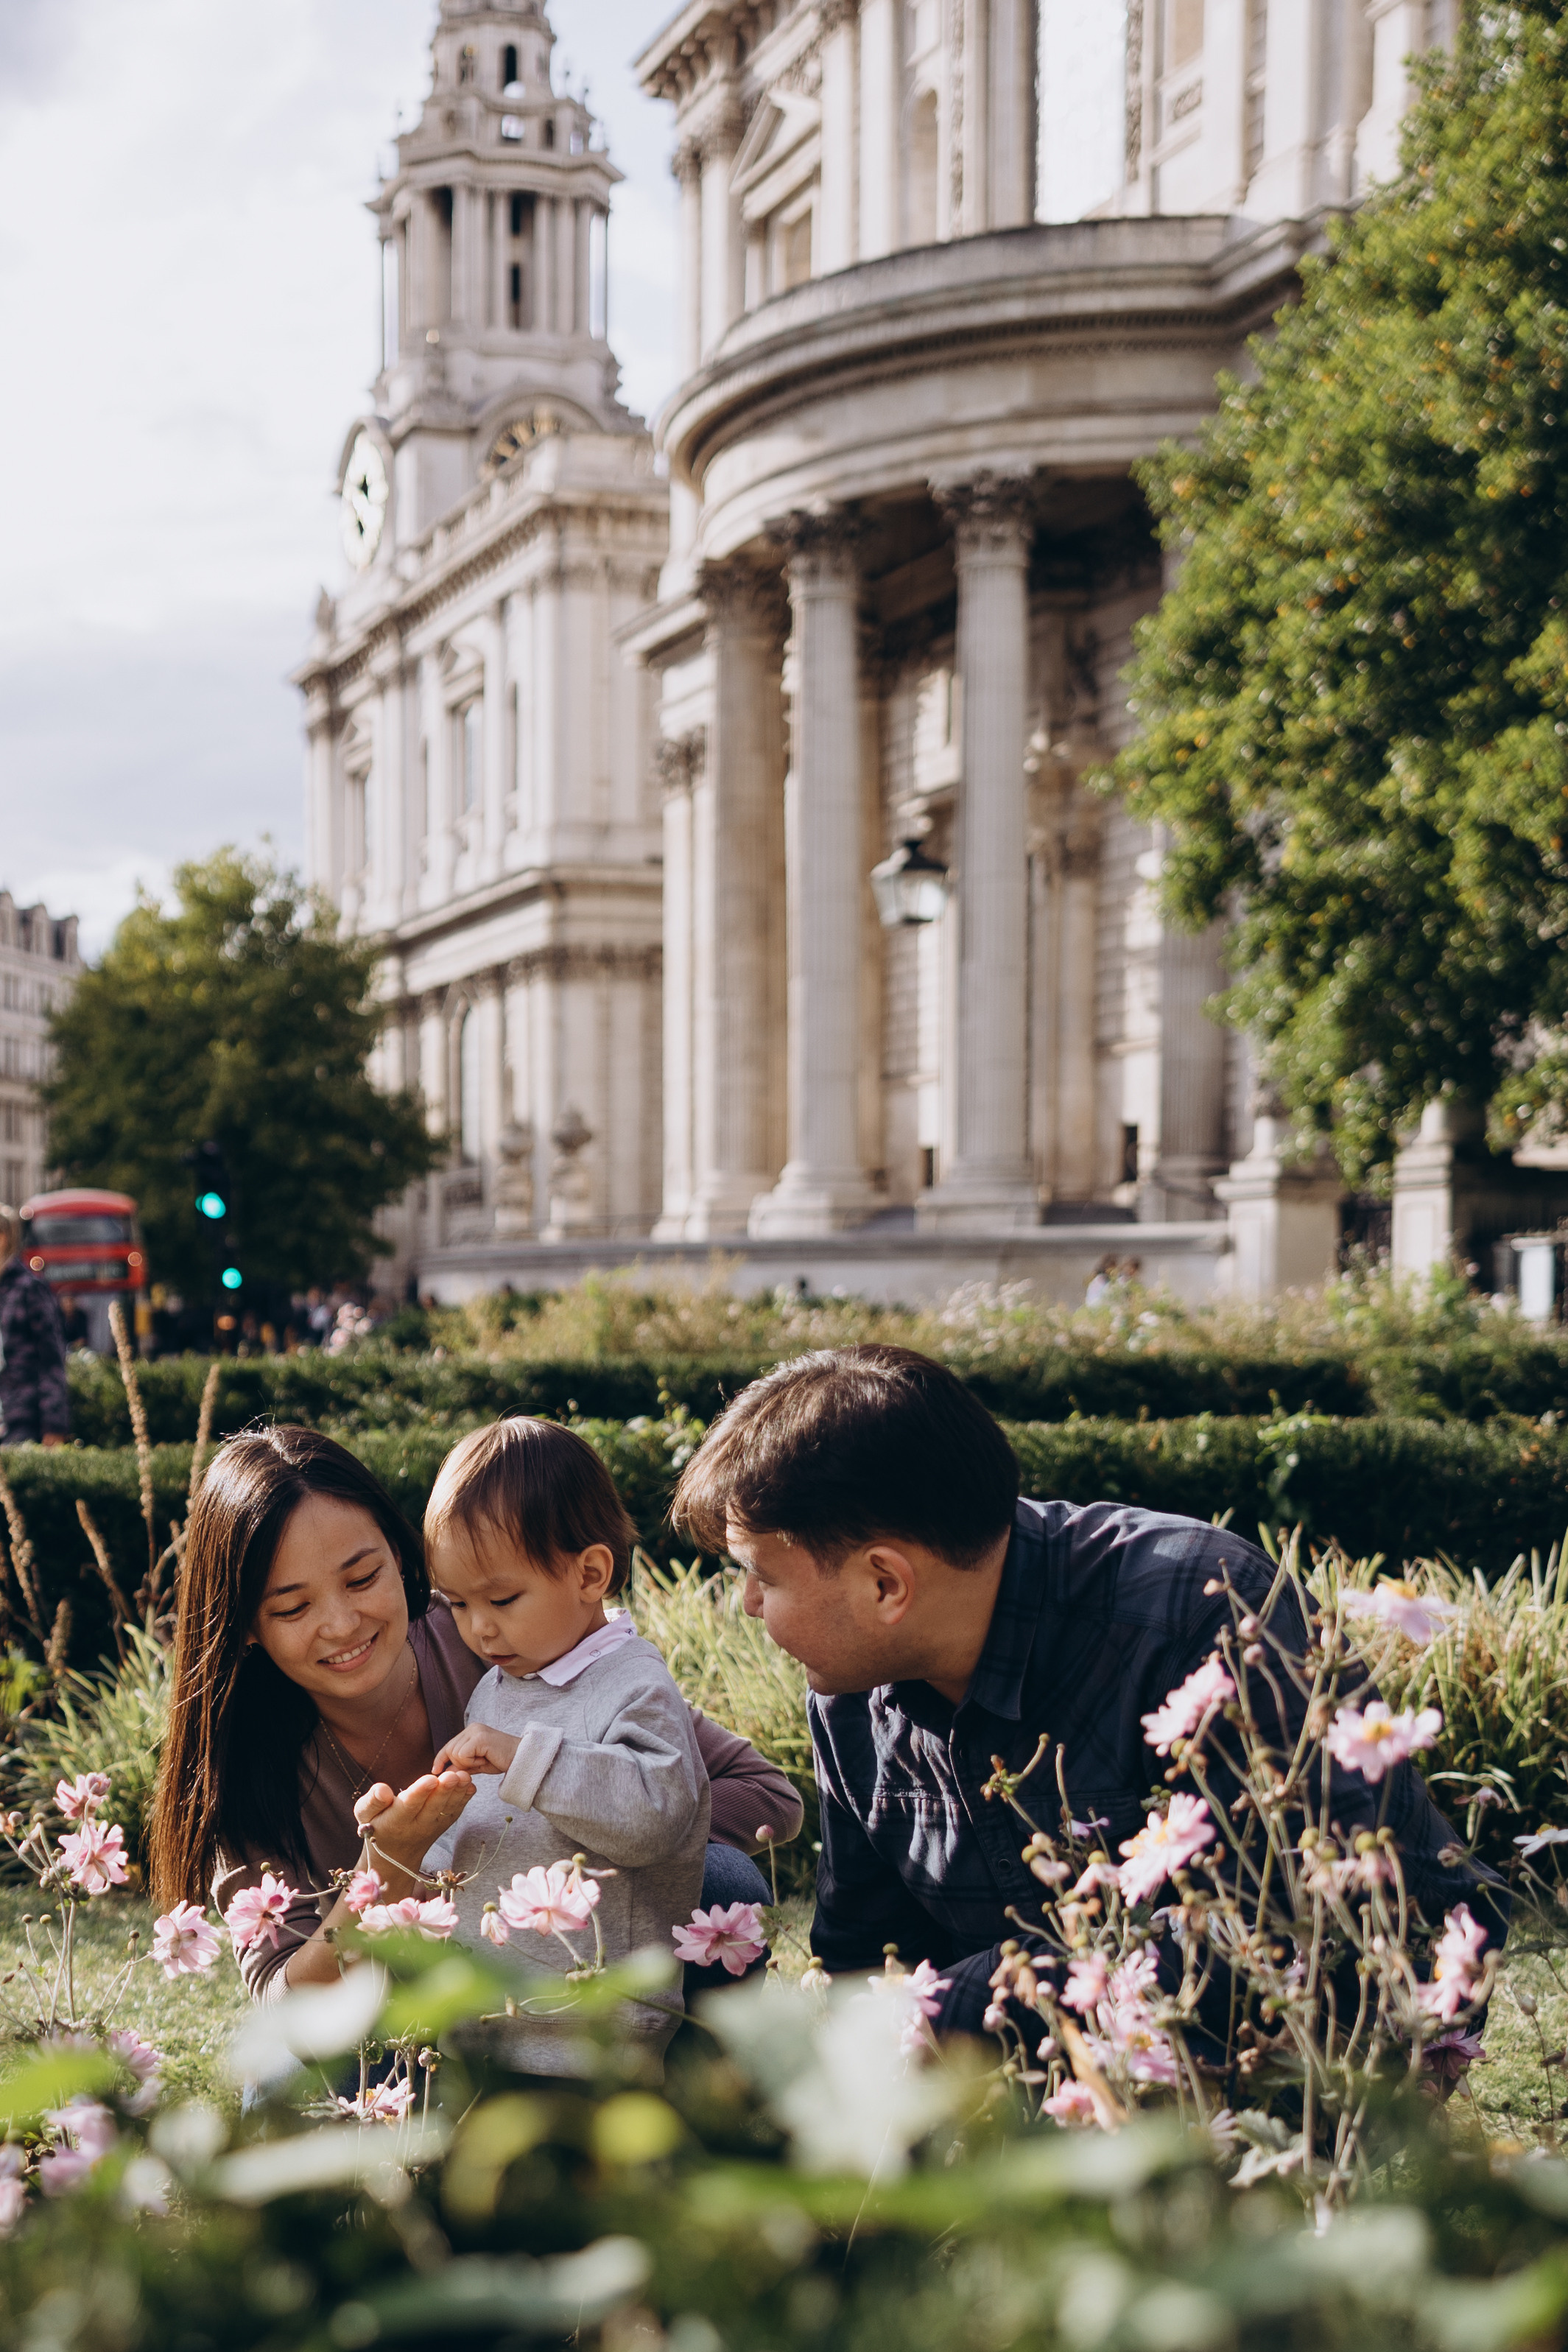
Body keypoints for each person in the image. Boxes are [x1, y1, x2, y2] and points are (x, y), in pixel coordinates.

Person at [670, 1344, 1508, 2040]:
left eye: (759, 1576)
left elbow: (1287, 1936)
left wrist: (950, 2011)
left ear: (885, 1584)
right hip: (1051, 2087)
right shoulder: (852, 1690)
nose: (746, 1605)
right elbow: (869, 1954)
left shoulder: (1197, 1616)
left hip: (1312, 2065)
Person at [147, 1425, 800, 2001]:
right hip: (404, 2024)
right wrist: (390, 1869)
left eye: (361, 1578)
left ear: (401, 1558)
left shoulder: (507, 1641)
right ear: (248, 1627)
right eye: (292, 1608)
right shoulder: (242, 1756)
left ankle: (690, 2098)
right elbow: (283, 1997)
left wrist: (567, 1844)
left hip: (575, 1993)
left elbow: (766, 1794)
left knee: (724, 1880)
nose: (342, 1624)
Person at [418, 1419, 709, 2071]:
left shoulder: (633, 1683)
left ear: (590, 1573)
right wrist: (417, 1842)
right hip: (488, 2023)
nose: (479, 1627)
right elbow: (480, 1824)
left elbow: (653, 1818)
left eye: (501, 1597)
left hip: (593, 2037)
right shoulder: (496, 1688)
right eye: (458, 1604)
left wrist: (526, 1759)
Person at [0, 1206, 69, 1448]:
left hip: (20, 1419)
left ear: (5, 1238)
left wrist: (54, 1424)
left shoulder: (29, 1289)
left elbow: (51, 1359)